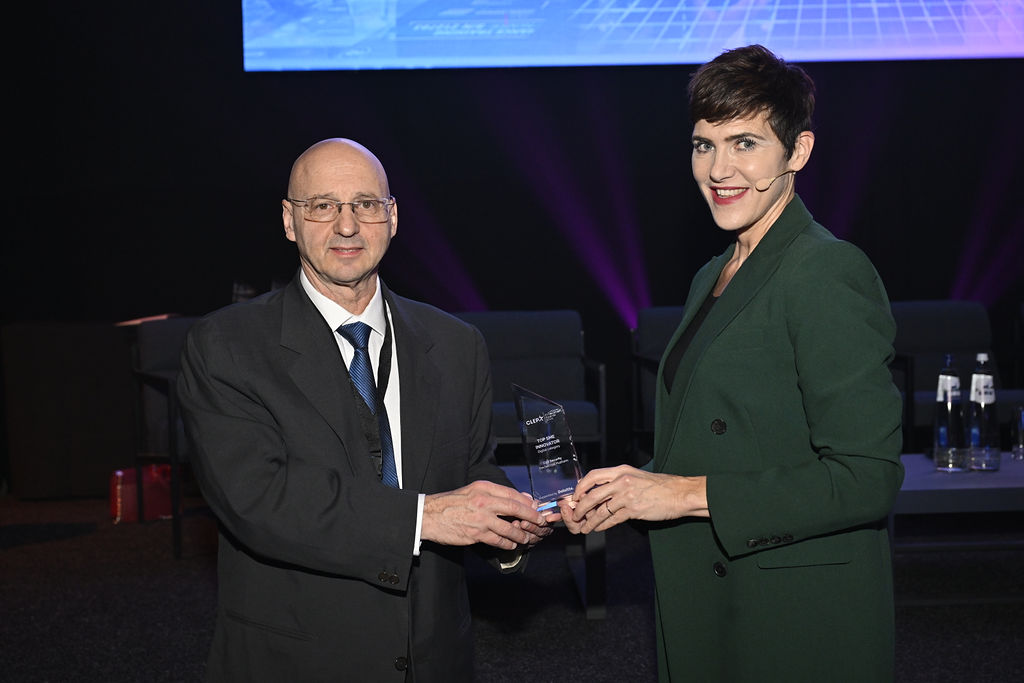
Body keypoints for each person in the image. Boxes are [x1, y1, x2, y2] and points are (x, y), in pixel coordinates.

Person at [559, 45, 904, 682]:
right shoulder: (712, 275)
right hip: (711, 589)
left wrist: (681, 495)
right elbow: (727, 437)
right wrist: (629, 490)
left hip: (791, 615)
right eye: (703, 145)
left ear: (797, 152)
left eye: (745, 143)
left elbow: (866, 478)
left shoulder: (826, 271)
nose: (719, 169)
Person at [178, 138, 556, 682]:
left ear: (393, 217)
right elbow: (257, 499)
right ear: (290, 221)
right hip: (296, 659)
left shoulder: (456, 344)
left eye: (365, 204)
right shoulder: (227, 346)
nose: (347, 225)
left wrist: (514, 524)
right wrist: (427, 518)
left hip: (434, 658)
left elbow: (470, 474)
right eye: (322, 206)